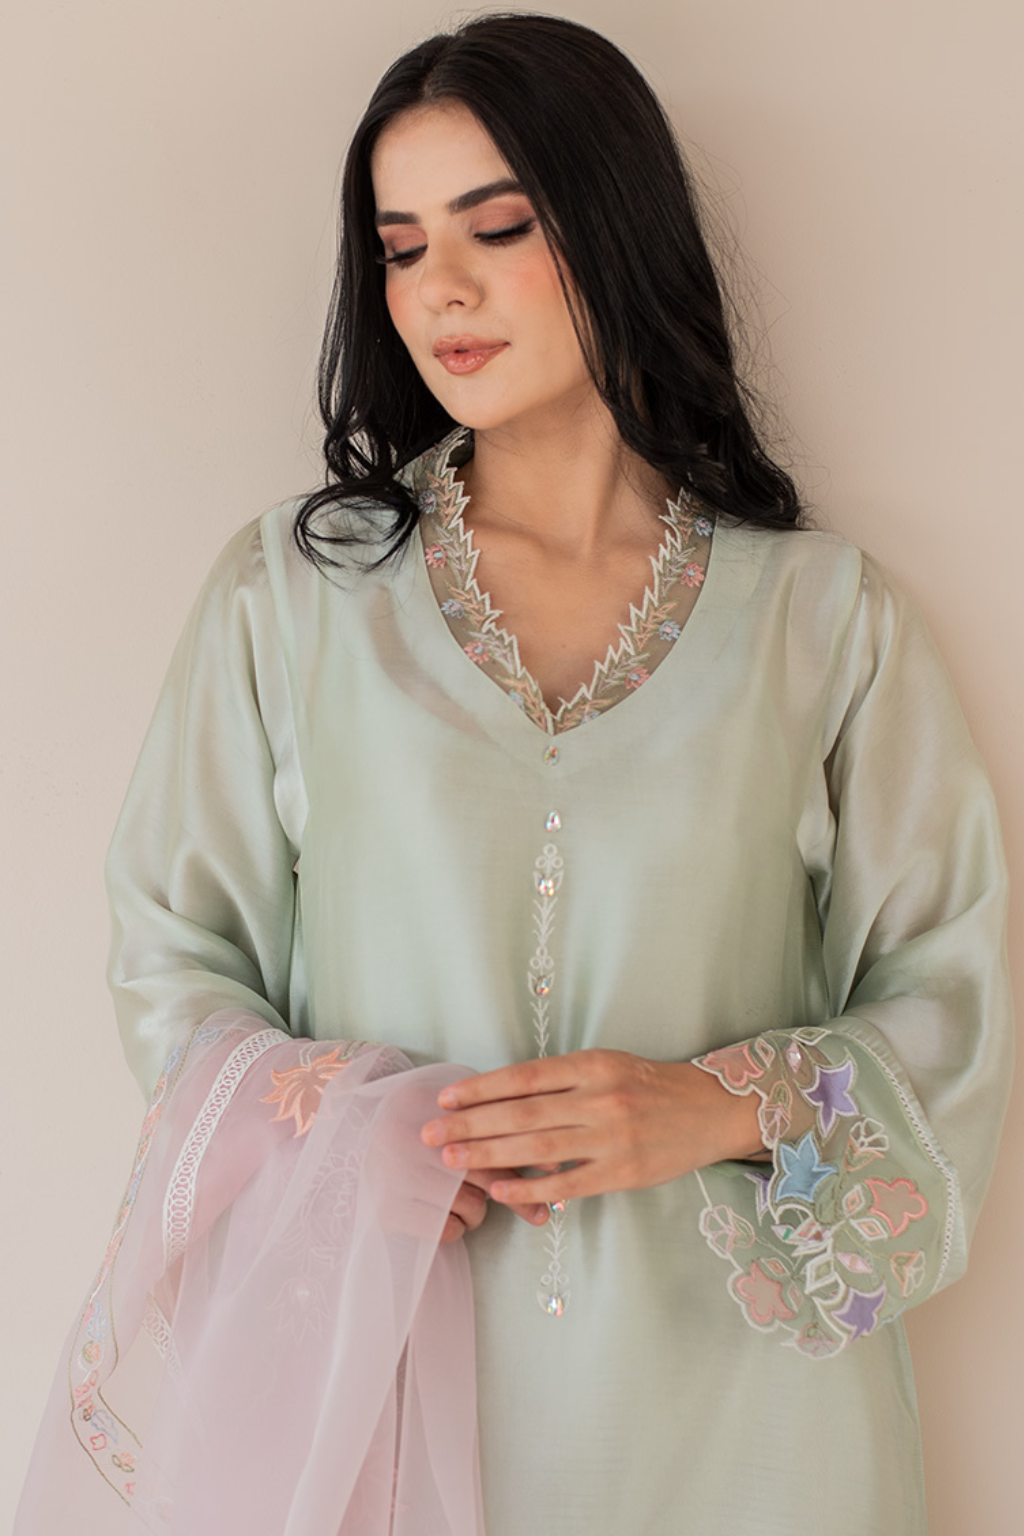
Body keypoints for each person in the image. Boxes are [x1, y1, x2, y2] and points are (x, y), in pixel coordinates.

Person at [16, 13, 1013, 1535]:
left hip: (745, 1425)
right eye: (401, 247)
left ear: (613, 229)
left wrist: (701, 1105)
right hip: (392, 1385)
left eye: (497, 227)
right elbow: (171, 960)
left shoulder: (822, 621)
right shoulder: (294, 601)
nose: (441, 289)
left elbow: (951, 1004)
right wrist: (346, 1130)